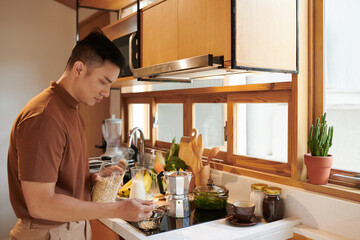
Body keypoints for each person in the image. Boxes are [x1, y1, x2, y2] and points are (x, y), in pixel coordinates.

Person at [7, 31, 155, 240]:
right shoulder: (45, 117)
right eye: (103, 82)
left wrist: (90, 181)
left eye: (110, 85)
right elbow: (41, 204)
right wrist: (115, 209)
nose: (106, 93)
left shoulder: (71, 110)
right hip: (49, 233)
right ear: (79, 68)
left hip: (68, 230)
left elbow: (58, 180)